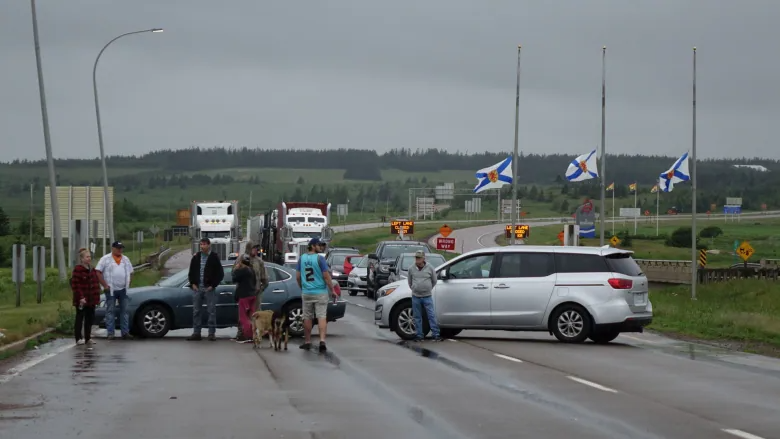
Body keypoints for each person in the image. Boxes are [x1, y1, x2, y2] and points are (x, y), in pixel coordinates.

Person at [296, 238, 335, 352]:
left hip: (307, 292)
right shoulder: (320, 259)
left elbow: (298, 277)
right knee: (321, 316)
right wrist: (332, 290)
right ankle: (322, 340)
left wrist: (303, 287)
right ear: (312, 246)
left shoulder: (301, 259)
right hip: (320, 292)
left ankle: (307, 341)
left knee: (307, 317)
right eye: (319, 245)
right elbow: (326, 276)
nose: (321, 247)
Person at [187, 238, 224, 341]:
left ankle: (211, 333)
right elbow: (191, 272)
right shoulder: (196, 257)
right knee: (196, 311)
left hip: (209, 289)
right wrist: (193, 283)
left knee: (211, 311)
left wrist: (213, 285)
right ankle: (196, 332)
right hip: (197, 288)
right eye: (201, 244)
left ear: (208, 245)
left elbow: (220, 274)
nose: (202, 246)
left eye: (204, 244)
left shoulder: (214, 257)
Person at [95, 241, 134, 340]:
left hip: (123, 289)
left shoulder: (125, 259)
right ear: (113, 248)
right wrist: (104, 285)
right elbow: (98, 272)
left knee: (124, 311)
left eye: (121, 248)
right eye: (118, 248)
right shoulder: (105, 259)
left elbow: (131, 272)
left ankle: (125, 332)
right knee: (110, 311)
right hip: (111, 289)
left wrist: (128, 283)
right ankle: (110, 332)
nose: (120, 250)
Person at [407, 250, 442, 342]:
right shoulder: (411, 268)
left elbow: (434, 280)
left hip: (427, 296)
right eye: (416, 258)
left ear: (423, 258)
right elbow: (410, 282)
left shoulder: (430, 268)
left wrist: (428, 288)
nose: (417, 260)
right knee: (417, 316)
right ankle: (419, 335)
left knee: (431, 315)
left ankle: (436, 334)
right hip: (416, 296)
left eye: (419, 258)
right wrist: (414, 288)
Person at [70, 248, 101, 346]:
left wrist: (97, 297)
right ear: (82, 259)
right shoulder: (78, 270)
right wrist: (81, 297)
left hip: (91, 298)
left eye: (89, 257)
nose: (89, 259)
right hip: (82, 299)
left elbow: (96, 283)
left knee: (90, 318)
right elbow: (76, 285)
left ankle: (88, 337)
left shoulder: (92, 269)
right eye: (87, 257)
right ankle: (78, 338)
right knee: (80, 318)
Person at [232, 254, 257, 343]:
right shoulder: (251, 270)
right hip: (252, 295)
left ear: (241, 262)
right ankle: (254, 335)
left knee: (243, 317)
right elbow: (254, 282)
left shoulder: (242, 270)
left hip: (244, 296)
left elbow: (234, 278)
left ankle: (248, 336)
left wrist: (236, 268)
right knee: (251, 316)